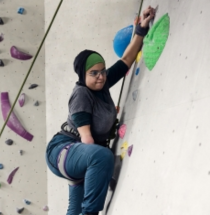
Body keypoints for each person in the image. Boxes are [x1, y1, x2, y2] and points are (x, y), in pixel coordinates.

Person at [45, 6, 156, 215]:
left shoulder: (102, 84)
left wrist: (141, 29)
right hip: (64, 150)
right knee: (103, 157)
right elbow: (87, 140)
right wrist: (100, 170)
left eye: (102, 71)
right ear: (82, 75)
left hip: (79, 155)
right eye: (93, 73)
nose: (101, 76)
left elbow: (125, 61)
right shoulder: (81, 94)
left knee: (74, 209)